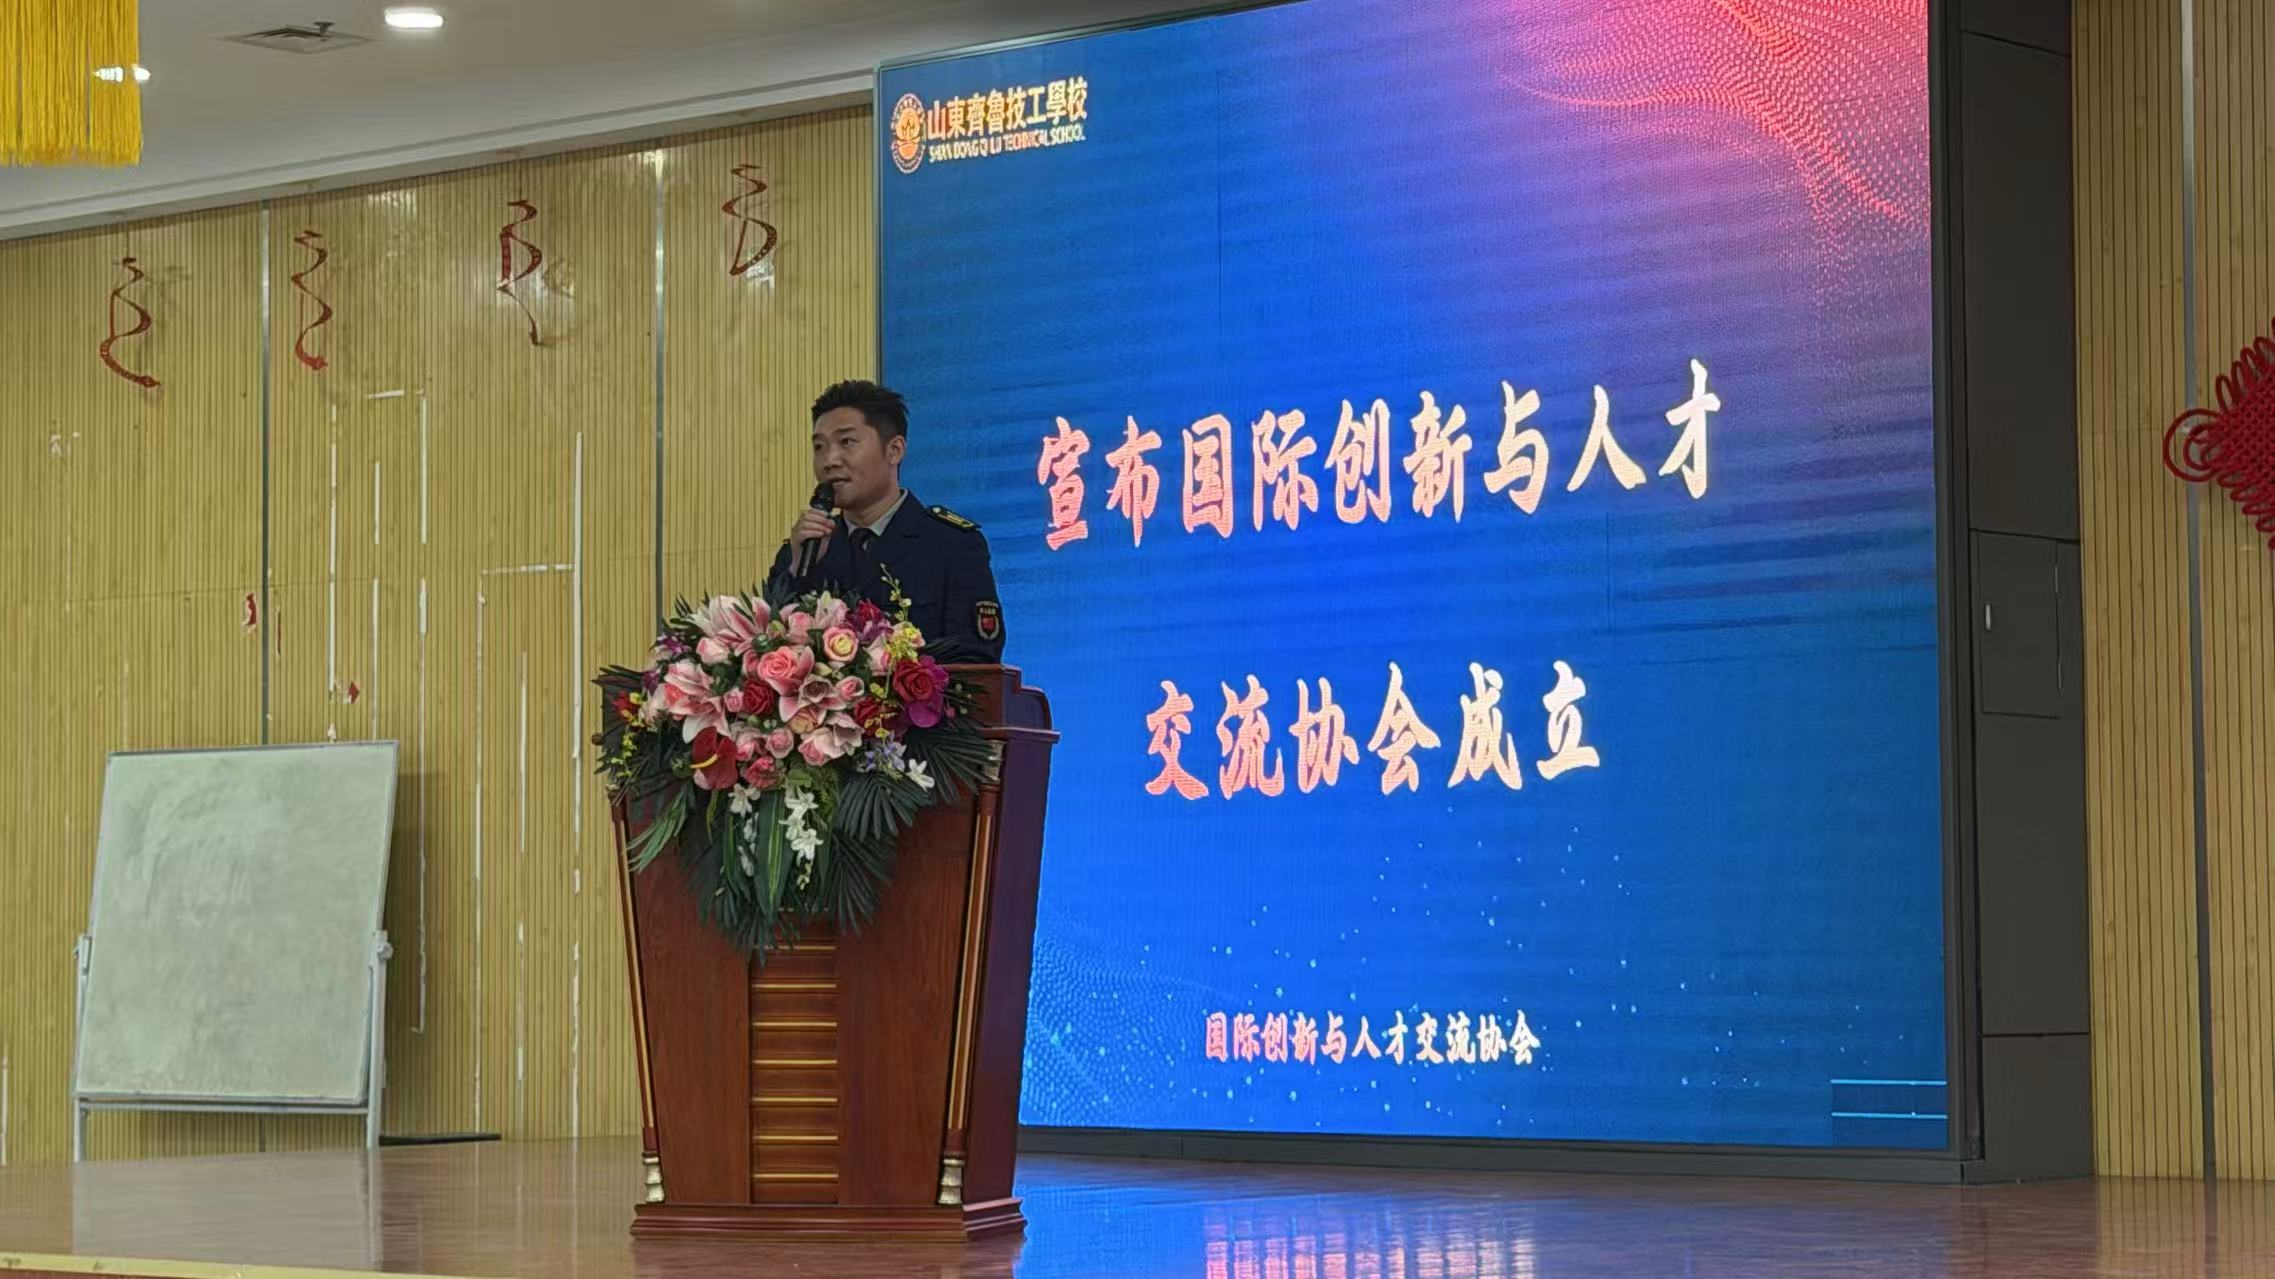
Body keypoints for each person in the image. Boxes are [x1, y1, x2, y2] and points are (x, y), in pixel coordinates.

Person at [767, 379, 1005, 664]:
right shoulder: (803, 551)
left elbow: (976, 661)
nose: (829, 460)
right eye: (819, 447)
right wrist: (796, 571)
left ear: (894, 450)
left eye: (846, 442)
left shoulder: (952, 544)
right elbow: (766, 647)